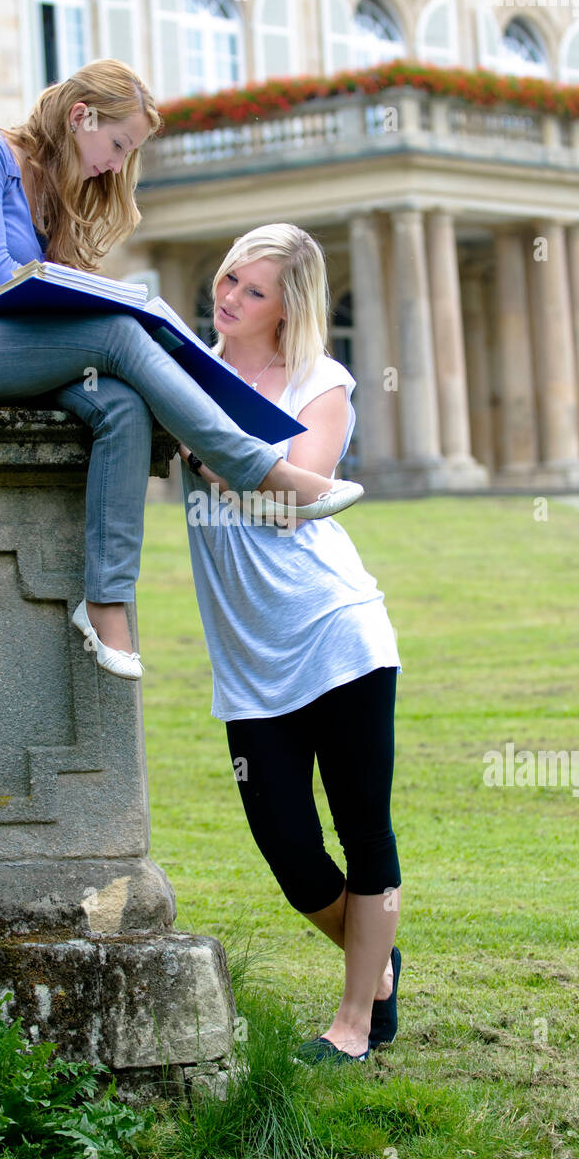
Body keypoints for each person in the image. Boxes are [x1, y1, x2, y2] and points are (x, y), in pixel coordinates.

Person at [0, 61, 362, 680]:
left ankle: (106, 600)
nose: (117, 165)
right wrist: (108, 305)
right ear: (80, 116)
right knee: (120, 332)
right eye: (118, 145)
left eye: (129, 152)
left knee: (120, 402)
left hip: (10, 353)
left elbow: (38, 304)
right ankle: (255, 467)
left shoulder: (53, 190)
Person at [177, 223, 402, 1062]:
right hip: (247, 656)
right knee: (289, 853)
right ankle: (375, 966)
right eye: (228, 278)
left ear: (287, 308)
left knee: (361, 830)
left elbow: (296, 499)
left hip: (334, 631)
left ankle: (351, 1026)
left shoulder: (321, 381)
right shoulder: (190, 371)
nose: (229, 298)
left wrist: (224, 459)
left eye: (252, 291)